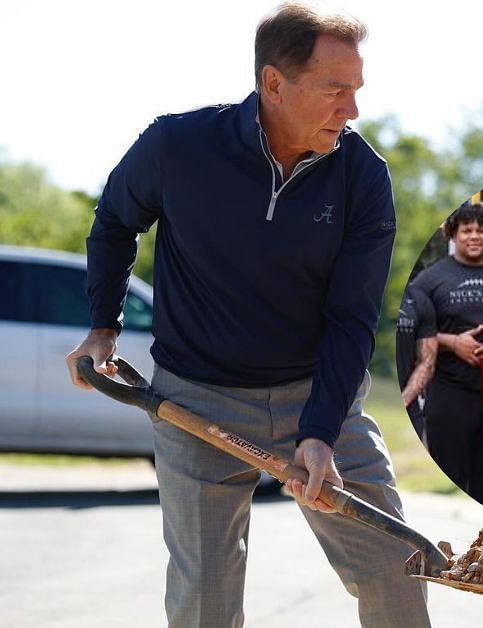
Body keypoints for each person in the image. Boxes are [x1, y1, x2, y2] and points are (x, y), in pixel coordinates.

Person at [63, 4, 430, 626]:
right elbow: (115, 222)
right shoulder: (177, 147)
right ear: (274, 84)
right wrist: (104, 327)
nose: (352, 109)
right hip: (195, 397)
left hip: (317, 395)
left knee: (395, 568)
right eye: (334, 90)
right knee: (204, 594)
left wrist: (318, 431)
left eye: (356, 90)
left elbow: (351, 317)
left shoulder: (363, 178)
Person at [411, 204, 483, 512]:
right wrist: (451, 342)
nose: (474, 236)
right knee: (451, 479)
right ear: (453, 234)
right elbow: (409, 331)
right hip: (449, 394)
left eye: (480, 230)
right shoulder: (429, 280)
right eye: (466, 231)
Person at [396, 273, 437, 443]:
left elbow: (427, 361)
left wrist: (404, 398)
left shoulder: (419, 300)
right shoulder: (359, 290)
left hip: (408, 407)